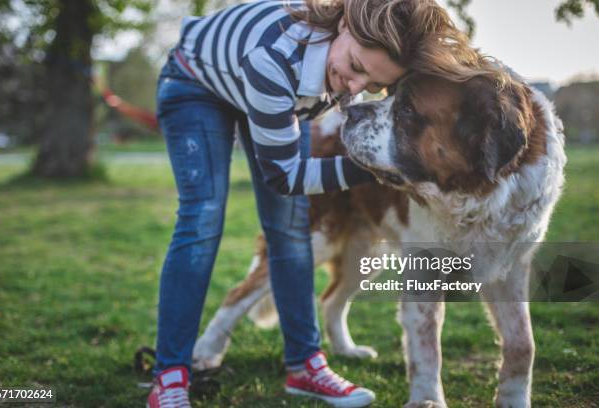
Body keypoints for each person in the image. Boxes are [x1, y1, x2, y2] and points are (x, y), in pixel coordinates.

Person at [148, 0, 487, 407]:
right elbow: (286, 177)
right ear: (345, 25)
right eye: (358, 68)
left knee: (291, 229)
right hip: (196, 83)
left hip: (276, 93)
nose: (356, 88)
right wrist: (385, 169)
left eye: (374, 84)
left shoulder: (344, 66)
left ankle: (304, 365)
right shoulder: (273, 56)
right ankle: (169, 376)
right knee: (202, 218)